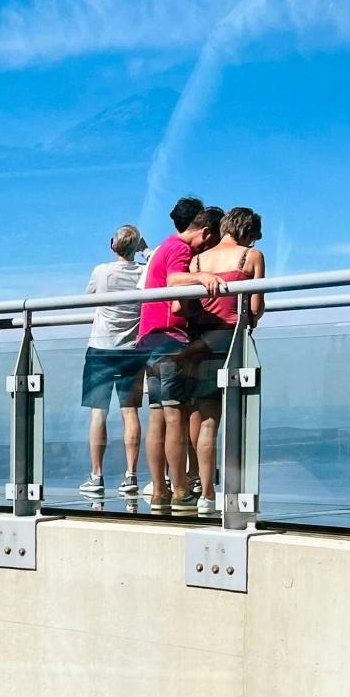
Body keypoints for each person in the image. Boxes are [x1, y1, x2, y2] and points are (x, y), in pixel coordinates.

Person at [138, 197, 224, 513]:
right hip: (169, 340)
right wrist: (203, 278)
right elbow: (175, 283)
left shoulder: (163, 247)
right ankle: (180, 490)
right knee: (175, 417)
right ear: (206, 233)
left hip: (148, 340)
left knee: (158, 416)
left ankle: (160, 490)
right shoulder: (181, 249)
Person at [188, 207, 266, 516]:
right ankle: (237, 494)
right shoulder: (252, 256)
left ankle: (206, 494)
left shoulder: (197, 261)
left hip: (199, 343)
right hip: (233, 342)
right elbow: (256, 307)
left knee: (206, 421)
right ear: (248, 230)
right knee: (239, 421)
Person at [79, 225, 150, 499]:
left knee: (98, 413)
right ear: (136, 246)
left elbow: (89, 299)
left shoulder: (101, 271)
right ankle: (130, 475)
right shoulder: (144, 273)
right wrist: (145, 250)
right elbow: (154, 264)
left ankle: (96, 475)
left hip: (101, 347)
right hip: (132, 349)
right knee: (129, 412)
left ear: (113, 245)